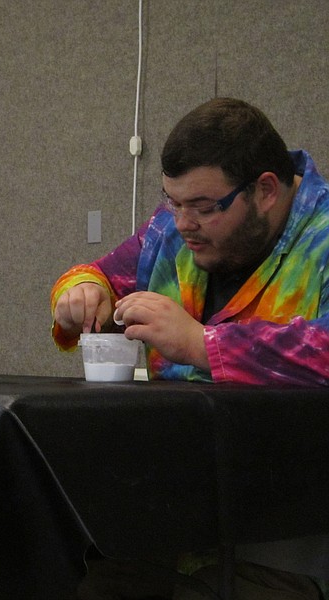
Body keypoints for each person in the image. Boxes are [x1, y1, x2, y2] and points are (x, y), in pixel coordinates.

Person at [52, 98, 329, 599]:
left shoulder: (323, 239)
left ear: (266, 190)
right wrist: (79, 292)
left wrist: (205, 345)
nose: (181, 224)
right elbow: (99, 273)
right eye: (172, 203)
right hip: (173, 525)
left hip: (289, 540)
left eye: (202, 208)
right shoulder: (173, 229)